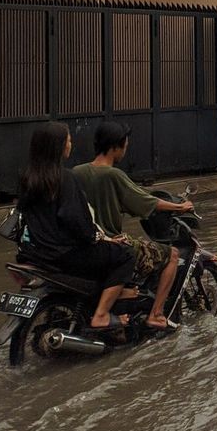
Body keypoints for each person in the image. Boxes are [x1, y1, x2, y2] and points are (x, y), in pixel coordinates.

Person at [16, 121, 136, 330]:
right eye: (69, 140)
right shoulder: (65, 179)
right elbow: (79, 224)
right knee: (126, 253)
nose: (71, 144)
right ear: (59, 146)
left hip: (36, 253)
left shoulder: (27, 178)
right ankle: (101, 315)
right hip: (66, 255)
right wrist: (101, 238)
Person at [73, 121, 190, 331]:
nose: (126, 149)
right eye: (125, 145)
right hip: (111, 245)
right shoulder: (113, 175)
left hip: (86, 245)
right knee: (171, 255)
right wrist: (180, 207)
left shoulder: (77, 172)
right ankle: (156, 314)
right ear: (115, 147)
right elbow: (146, 201)